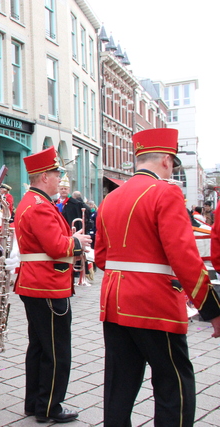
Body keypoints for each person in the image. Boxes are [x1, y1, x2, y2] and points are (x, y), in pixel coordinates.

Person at [95, 128, 220, 427]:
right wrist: (212, 309)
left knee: (119, 386)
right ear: (166, 160)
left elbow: (101, 257)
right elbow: (184, 257)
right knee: (173, 384)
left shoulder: (110, 198)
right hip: (154, 303)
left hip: (114, 301)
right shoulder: (166, 191)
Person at [13, 146, 90, 423]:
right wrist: (78, 242)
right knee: (57, 351)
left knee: (39, 347)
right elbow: (57, 247)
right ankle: (49, 408)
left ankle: (35, 403)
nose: (60, 179)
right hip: (46, 285)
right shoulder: (40, 206)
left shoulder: (32, 202)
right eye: (57, 174)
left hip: (36, 284)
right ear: (44, 176)